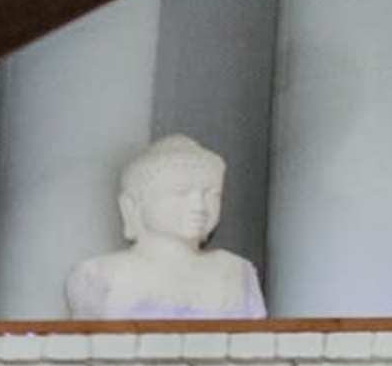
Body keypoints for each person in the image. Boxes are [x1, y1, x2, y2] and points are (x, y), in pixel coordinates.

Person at [65, 133, 266, 321]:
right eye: (180, 192)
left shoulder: (235, 271)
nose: (199, 206)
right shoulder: (99, 275)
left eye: (212, 195)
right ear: (133, 205)